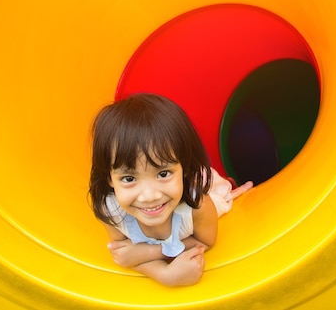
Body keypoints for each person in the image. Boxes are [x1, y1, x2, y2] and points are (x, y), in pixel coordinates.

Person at [88, 93, 253, 286]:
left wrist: (147, 252)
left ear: (183, 168)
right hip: (178, 190)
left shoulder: (198, 206)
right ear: (109, 178)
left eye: (163, 173)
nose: (150, 196)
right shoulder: (109, 209)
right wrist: (163, 274)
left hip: (193, 190)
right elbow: (123, 255)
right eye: (129, 178)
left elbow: (205, 242)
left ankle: (228, 182)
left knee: (220, 190)